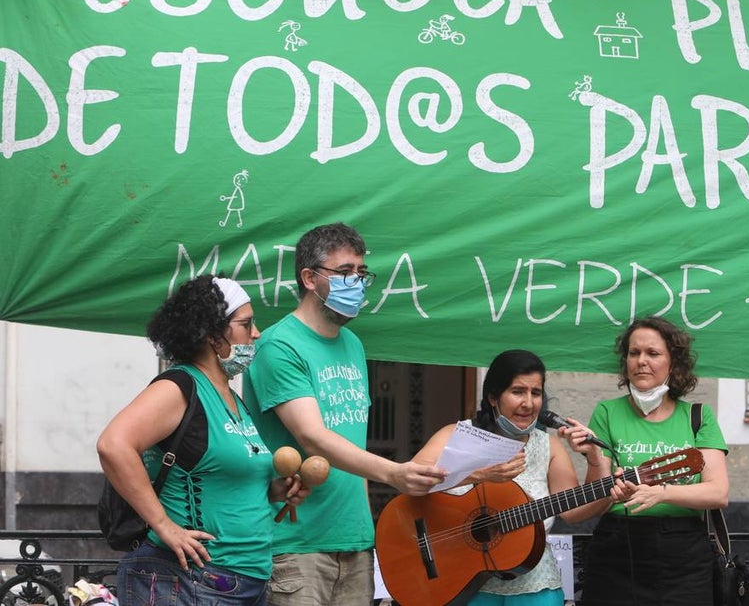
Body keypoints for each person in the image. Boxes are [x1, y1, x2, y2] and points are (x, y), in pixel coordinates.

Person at [242, 222, 448, 606]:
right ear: (308, 277)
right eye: (344, 272)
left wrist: (368, 530)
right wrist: (393, 472)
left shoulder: (352, 344)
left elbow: (352, 438)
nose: (356, 281)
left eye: (361, 273)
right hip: (296, 544)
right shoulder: (278, 345)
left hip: (353, 540)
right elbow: (312, 436)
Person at [97, 275, 309, 606]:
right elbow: (113, 445)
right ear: (212, 335)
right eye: (246, 323)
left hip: (243, 582)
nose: (256, 333)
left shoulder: (232, 399)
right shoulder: (179, 387)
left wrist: (275, 491)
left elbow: (218, 478)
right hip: (189, 581)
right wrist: (164, 526)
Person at [411, 349, 603, 606]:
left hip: (535, 585)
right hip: (460, 582)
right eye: (517, 391)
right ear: (493, 397)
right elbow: (412, 481)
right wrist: (478, 474)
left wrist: (594, 459)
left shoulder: (549, 446)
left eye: (535, 393)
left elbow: (575, 511)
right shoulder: (456, 435)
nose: (528, 402)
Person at [571, 316, 730, 606]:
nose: (641, 361)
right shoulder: (606, 412)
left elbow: (718, 492)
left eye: (653, 353)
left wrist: (662, 493)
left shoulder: (697, 416)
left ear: (674, 362)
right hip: (616, 550)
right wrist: (595, 461)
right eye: (634, 353)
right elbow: (595, 500)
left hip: (683, 559)